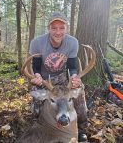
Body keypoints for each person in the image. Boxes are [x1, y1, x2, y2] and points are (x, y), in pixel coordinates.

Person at [29, 12, 88, 142]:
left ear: (66, 28)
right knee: (35, 97)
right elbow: (36, 67)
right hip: (45, 80)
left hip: (62, 77)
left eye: (62, 28)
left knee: (80, 89)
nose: (58, 32)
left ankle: (82, 128)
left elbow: (72, 66)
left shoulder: (72, 42)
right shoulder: (37, 42)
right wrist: (37, 76)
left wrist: (74, 77)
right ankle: (38, 124)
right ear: (48, 28)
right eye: (54, 28)